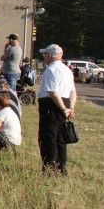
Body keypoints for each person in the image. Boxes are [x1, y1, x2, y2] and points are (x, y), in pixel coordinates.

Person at [36, 44, 76, 174]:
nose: (44, 57)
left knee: (48, 137)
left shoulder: (51, 70)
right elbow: (73, 92)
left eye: (45, 54)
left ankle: (49, 167)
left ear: (49, 55)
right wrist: (71, 107)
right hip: (64, 102)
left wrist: (64, 109)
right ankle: (61, 166)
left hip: (52, 104)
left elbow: (53, 93)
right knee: (60, 138)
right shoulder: (67, 70)